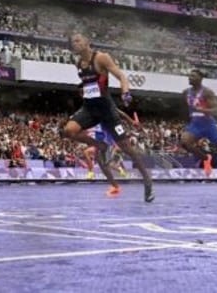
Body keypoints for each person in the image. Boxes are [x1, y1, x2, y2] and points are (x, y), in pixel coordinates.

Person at [61, 32, 154, 202]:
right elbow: (89, 84)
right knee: (68, 130)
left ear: (87, 42)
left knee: (127, 148)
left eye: (77, 40)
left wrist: (125, 92)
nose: (74, 44)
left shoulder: (101, 58)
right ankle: (101, 145)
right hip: (89, 108)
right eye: (72, 42)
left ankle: (147, 181)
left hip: (107, 110)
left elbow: (121, 76)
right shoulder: (78, 63)